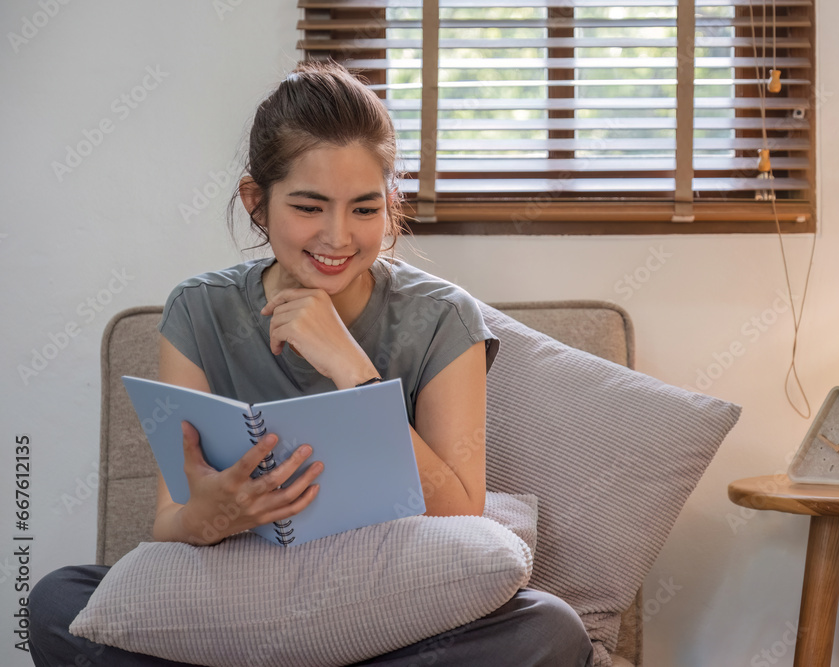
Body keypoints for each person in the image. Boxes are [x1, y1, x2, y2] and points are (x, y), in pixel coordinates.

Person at [28, 61, 594, 666]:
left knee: (552, 630)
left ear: (389, 204)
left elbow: (459, 509)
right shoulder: (199, 311)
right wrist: (215, 514)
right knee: (58, 602)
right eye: (309, 206)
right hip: (245, 594)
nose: (337, 237)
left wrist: (352, 369)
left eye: (364, 209)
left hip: (389, 598)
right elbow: (171, 518)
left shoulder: (442, 318)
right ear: (257, 202)